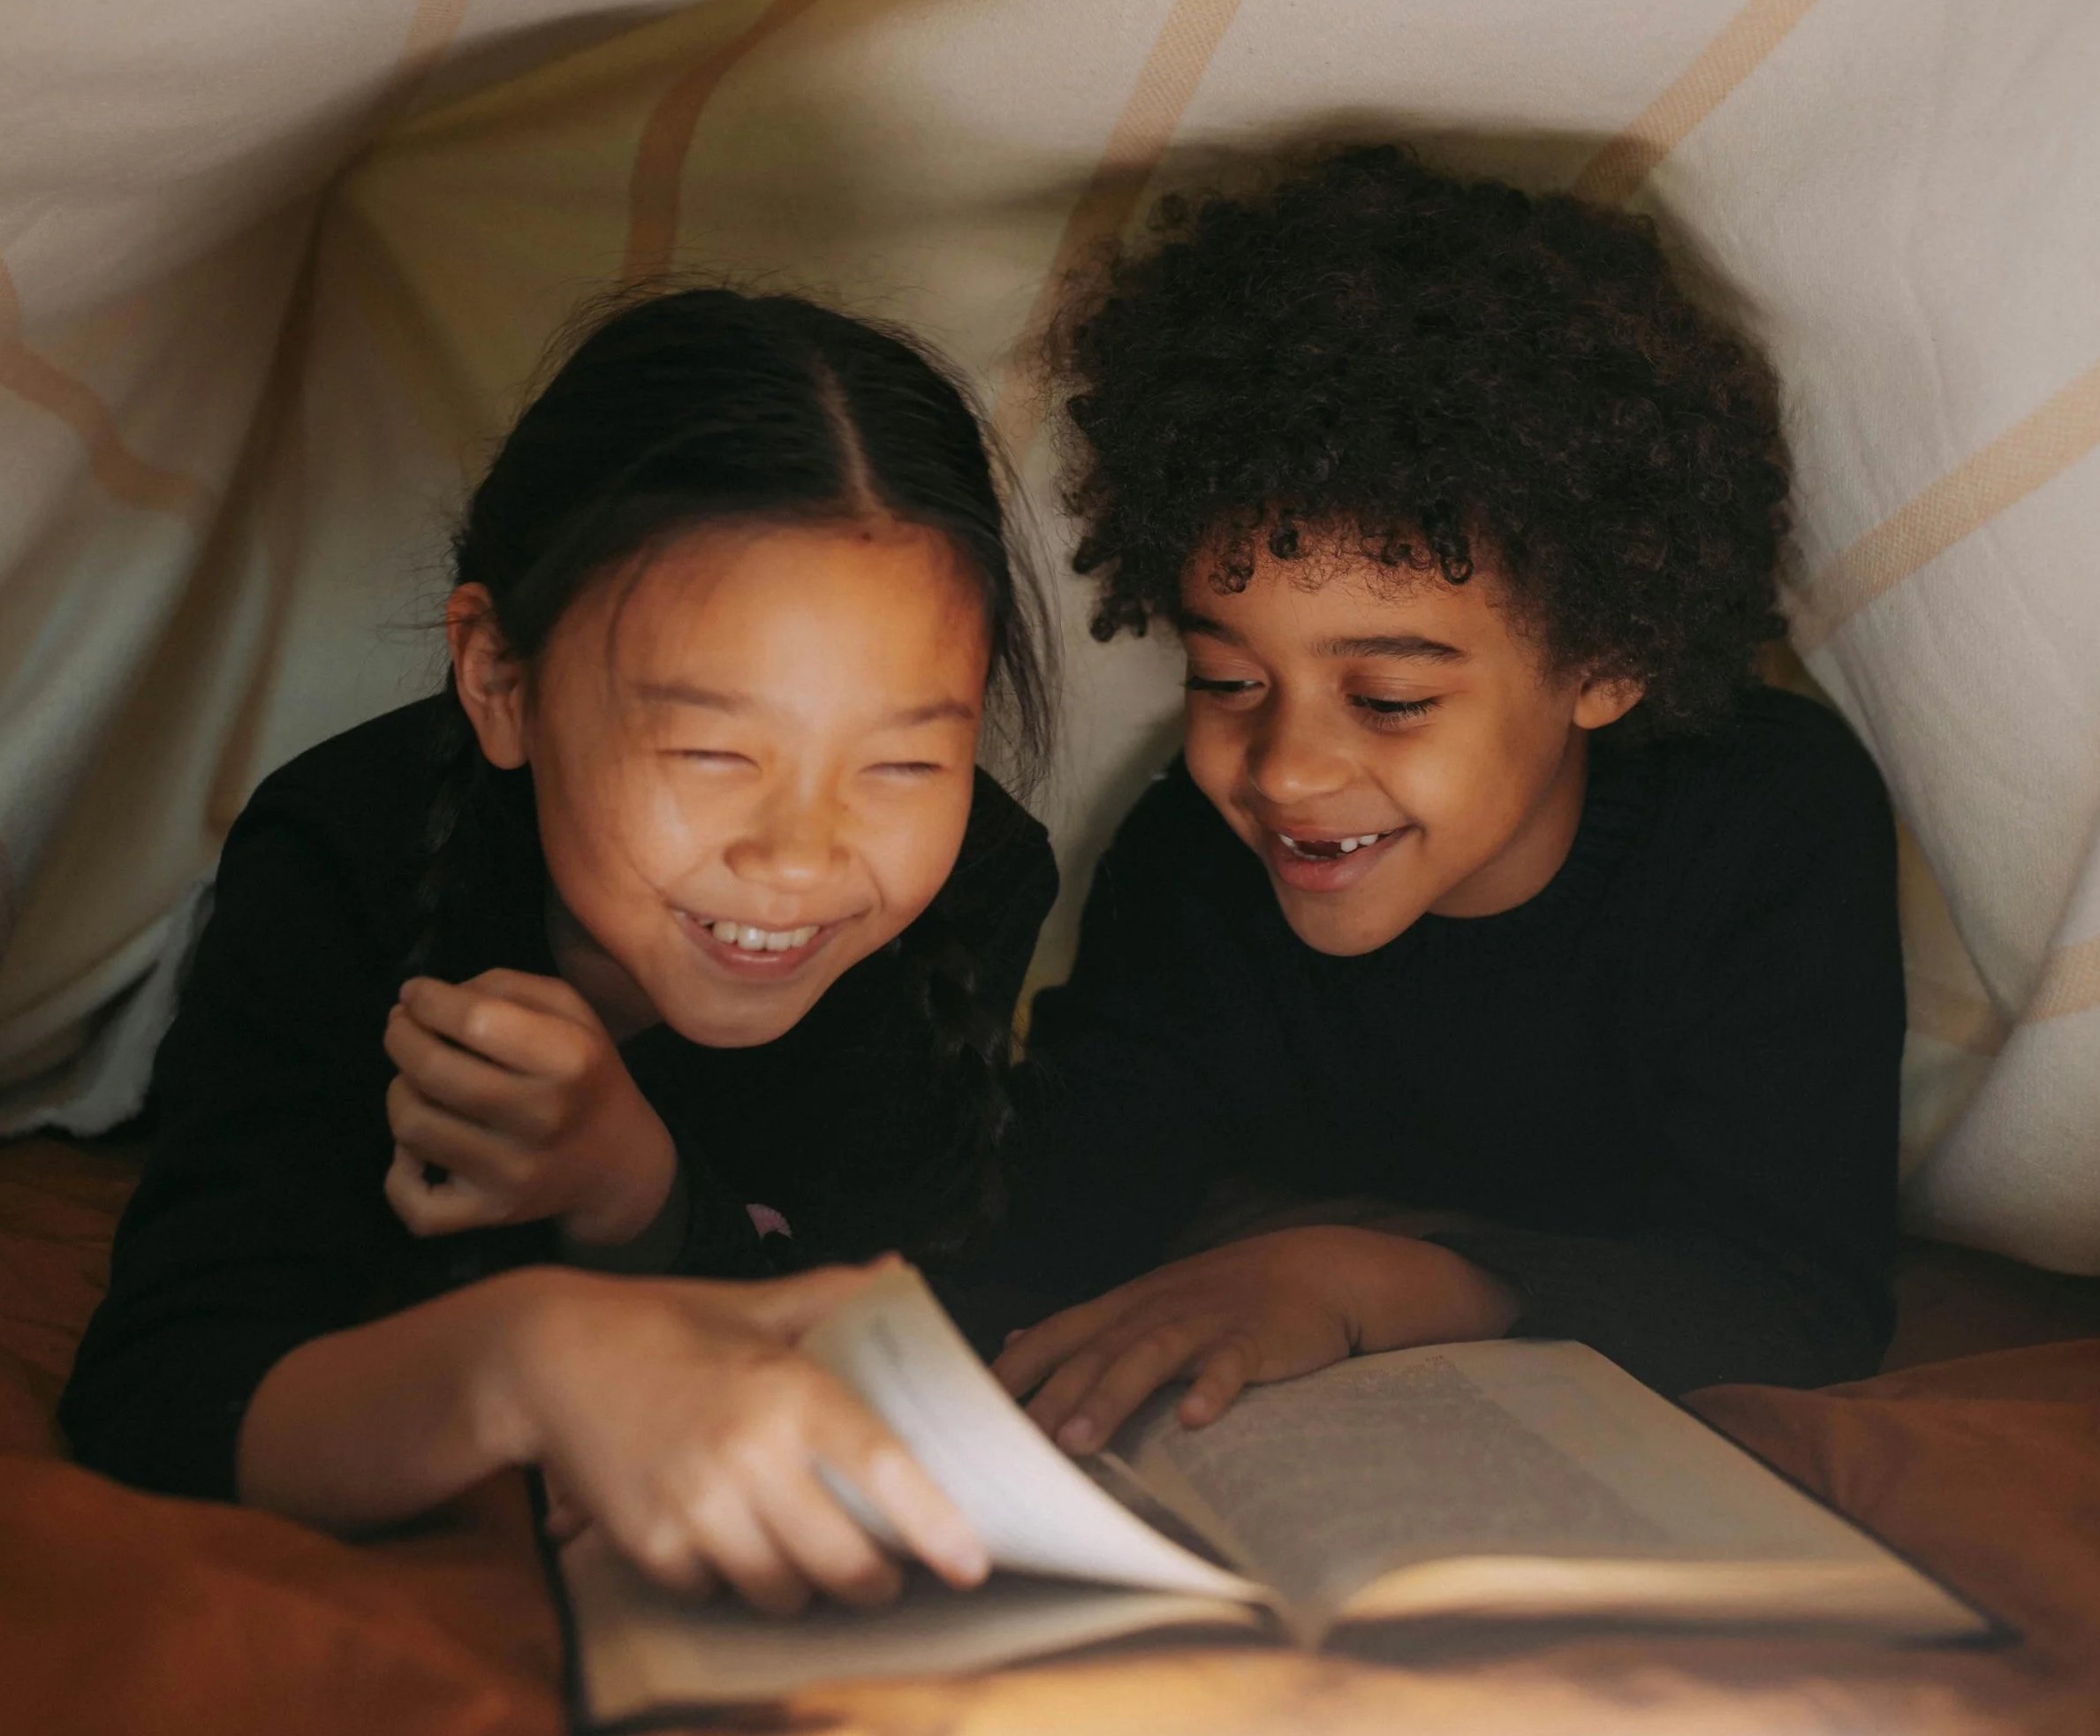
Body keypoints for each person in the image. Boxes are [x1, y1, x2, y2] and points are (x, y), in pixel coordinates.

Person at [63, 287, 1058, 1615]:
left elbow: (890, 1307)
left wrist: (632, 1192)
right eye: (712, 751)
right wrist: (522, 1359)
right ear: (497, 677)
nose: (803, 853)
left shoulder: (967, 885)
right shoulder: (339, 858)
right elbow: (169, 1389)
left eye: (903, 760)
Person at [985, 145, 1904, 1458]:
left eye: (1391, 699)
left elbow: (1796, 1298)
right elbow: (1049, 1233)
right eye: (1226, 676)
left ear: (1605, 657)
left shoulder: (1762, 825)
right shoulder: (1190, 867)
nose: (1286, 768)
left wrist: (1365, 1282)